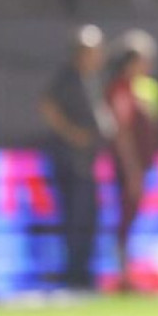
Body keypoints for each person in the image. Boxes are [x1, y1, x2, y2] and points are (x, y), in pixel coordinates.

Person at [39, 24, 114, 291]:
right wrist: (73, 134)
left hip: (87, 163)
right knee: (74, 218)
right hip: (71, 162)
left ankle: (83, 273)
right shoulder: (68, 77)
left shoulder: (93, 79)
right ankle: (73, 275)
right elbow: (48, 106)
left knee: (87, 218)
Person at [106, 29, 158, 290]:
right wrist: (132, 170)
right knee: (124, 219)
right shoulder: (120, 89)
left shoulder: (133, 89)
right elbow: (122, 132)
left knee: (129, 219)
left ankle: (125, 273)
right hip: (128, 167)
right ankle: (122, 275)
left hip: (136, 166)